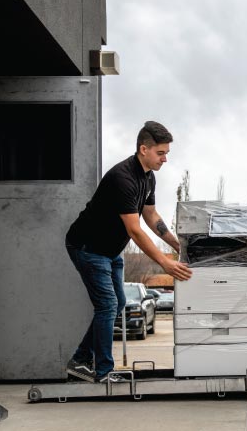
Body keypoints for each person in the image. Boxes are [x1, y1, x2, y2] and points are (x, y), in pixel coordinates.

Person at [64, 121, 192, 383]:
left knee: (118, 303)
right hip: (88, 247)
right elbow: (135, 231)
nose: (165, 159)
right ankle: (103, 372)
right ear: (143, 149)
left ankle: (80, 360)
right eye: (161, 153)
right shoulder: (123, 177)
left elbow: (151, 216)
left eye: (167, 153)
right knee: (108, 304)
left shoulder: (148, 177)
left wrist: (178, 245)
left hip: (111, 251)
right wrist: (165, 263)